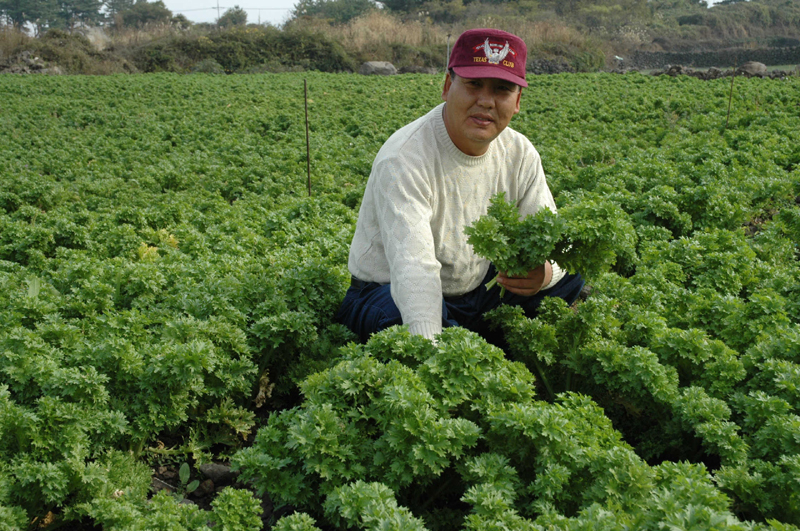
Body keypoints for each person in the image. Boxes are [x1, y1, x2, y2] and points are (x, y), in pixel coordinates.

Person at [336, 28, 584, 344]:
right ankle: (464, 342)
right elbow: (414, 271)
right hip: (389, 290)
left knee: (569, 271)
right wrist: (435, 353)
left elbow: (550, 237)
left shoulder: (519, 153)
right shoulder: (404, 158)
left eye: (502, 89)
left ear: (517, 101)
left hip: (475, 291)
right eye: (473, 84)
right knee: (400, 317)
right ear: (446, 86)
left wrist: (544, 274)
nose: (486, 101)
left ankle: (472, 337)